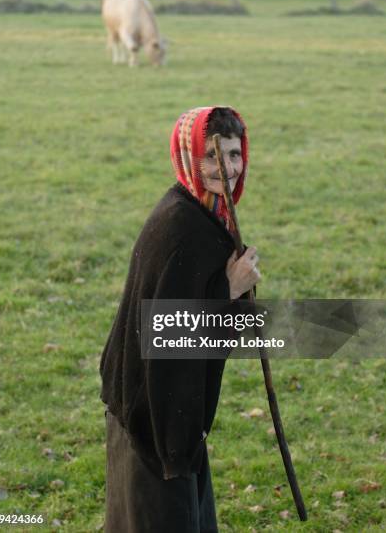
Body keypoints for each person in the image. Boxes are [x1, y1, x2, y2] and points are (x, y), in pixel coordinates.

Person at [100, 106, 261, 533]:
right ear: (188, 156)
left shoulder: (204, 214)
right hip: (155, 415)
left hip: (171, 407)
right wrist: (228, 290)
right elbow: (169, 332)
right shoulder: (182, 227)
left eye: (233, 154)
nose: (225, 169)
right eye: (211, 156)